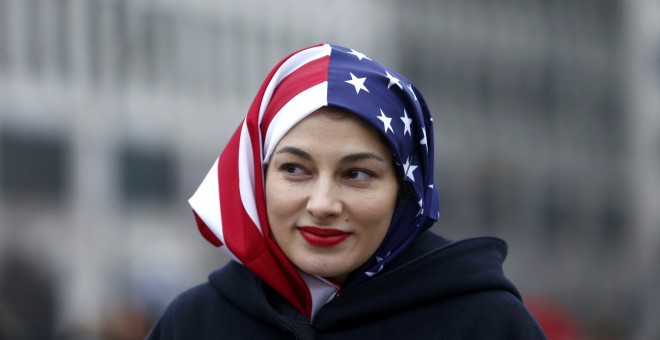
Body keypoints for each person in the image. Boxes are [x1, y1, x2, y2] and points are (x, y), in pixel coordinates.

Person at [147, 43, 546, 339]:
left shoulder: (488, 324)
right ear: (258, 180)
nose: (322, 205)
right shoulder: (192, 325)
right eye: (294, 169)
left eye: (356, 174)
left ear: (405, 192)